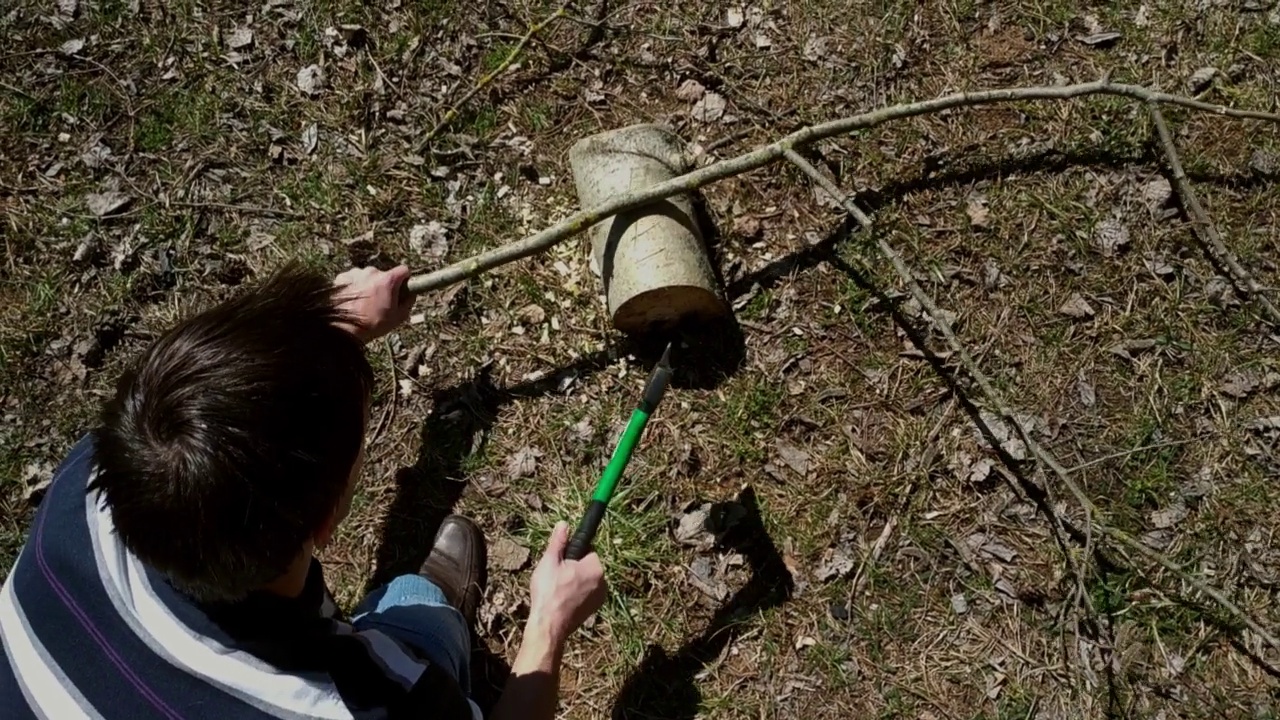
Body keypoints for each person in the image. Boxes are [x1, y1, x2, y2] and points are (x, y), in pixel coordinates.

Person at [0, 263, 607, 719]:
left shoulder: (97, 471)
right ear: (324, 524)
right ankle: (427, 617)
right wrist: (548, 626)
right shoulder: (359, 708)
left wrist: (329, 324)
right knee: (417, 610)